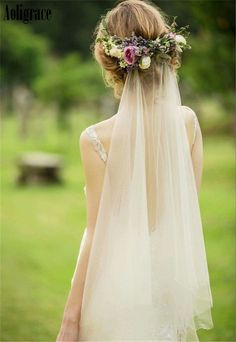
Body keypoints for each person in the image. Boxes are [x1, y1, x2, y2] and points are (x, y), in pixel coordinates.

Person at [56, 1, 213, 341]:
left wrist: (71, 315)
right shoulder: (187, 122)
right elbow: (186, 211)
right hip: (168, 288)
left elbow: (95, 233)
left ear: (109, 60)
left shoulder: (97, 138)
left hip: (115, 285)